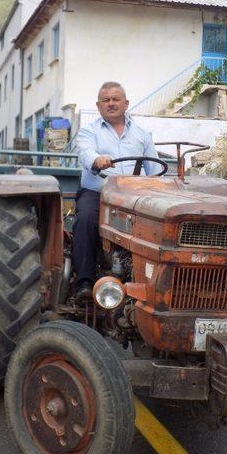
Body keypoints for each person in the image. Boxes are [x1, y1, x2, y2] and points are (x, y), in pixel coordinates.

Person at [73, 81, 161, 299]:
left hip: (135, 197)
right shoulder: (88, 132)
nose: (111, 104)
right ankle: (84, 282)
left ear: (126, 103)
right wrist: (97, 160)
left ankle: (154, 286)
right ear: (98, 105)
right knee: (85, 219)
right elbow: (85, 153)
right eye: (106, 100)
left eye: (116, 99)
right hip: (100, 194)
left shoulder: (142, 134)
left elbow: (156, 170)